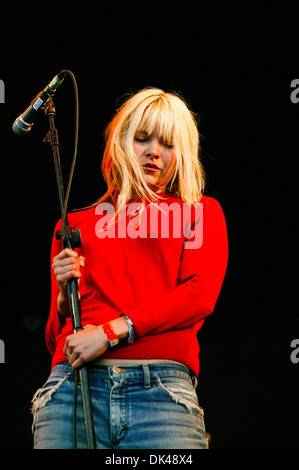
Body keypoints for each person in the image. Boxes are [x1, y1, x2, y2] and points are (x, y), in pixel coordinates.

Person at [31, 87, 228, 449]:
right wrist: (62, 298)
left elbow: (200, 294)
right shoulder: (73, 224)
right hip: (71, 392)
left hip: (160, 390)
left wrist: (110, 331)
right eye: (141, 138)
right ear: (120, 143)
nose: (154, 151)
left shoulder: (199, 212)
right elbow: (54, 338)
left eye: (167, 143)